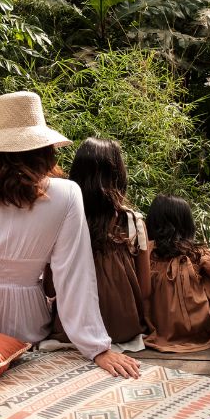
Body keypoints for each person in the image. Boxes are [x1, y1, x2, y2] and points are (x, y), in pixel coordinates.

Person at [0, 91, 140, 378]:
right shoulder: (67, 194)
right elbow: (73, 272)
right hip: (20, 321)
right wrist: (96, 347)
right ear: (45, 148)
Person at [63, 137, 150, 345]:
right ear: (119, 175)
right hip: (123, 329)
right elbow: (145, 289)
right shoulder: (133, 222)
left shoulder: (66, 220)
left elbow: (50, 287)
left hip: (72, 330)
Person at [143, 194, 210, 352]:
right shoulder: (198, 254)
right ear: (187, 223)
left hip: (153, 330)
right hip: (197, 333)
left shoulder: (144, 253)